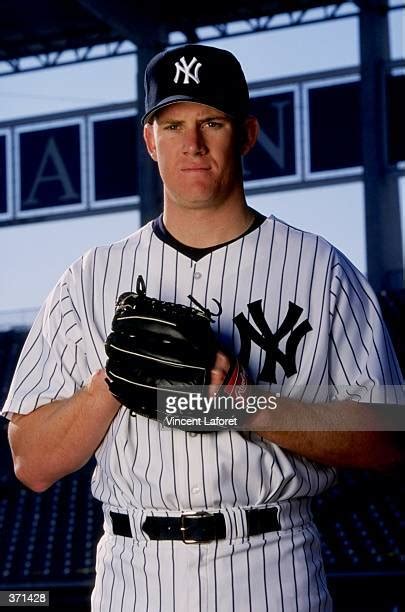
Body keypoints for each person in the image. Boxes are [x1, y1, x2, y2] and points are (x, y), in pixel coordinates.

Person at [2, 44, 404, 612]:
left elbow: (392, 438)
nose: (191, 143)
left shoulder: (322, 269)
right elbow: (31, 463)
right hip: (132, 576)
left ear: (246, 134)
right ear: (150, 140)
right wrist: (110, 384)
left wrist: (241, 404)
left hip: (273, 569)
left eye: (211, 121)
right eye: (173, 124)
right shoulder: (89, 278)